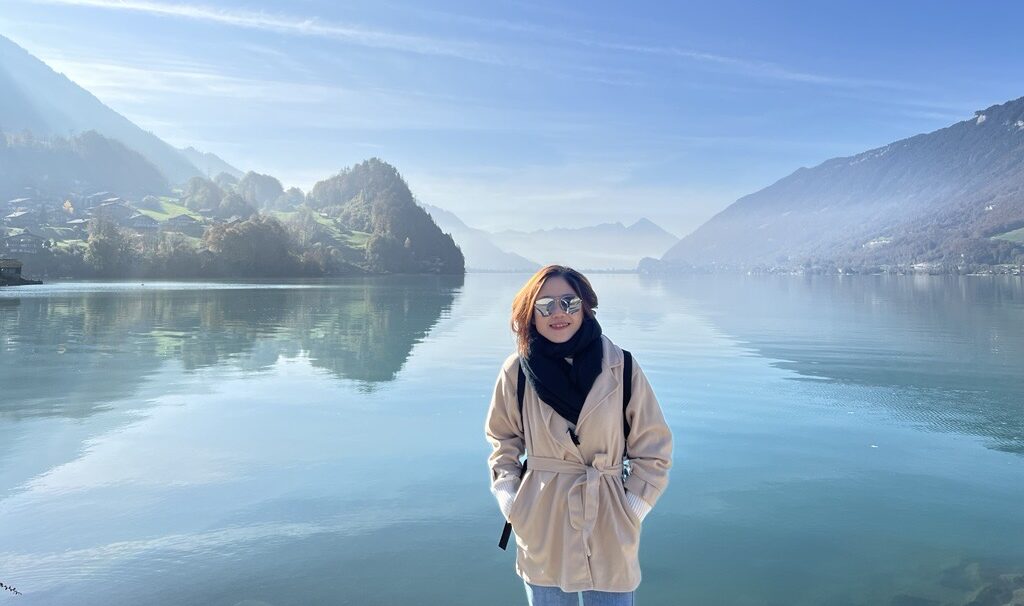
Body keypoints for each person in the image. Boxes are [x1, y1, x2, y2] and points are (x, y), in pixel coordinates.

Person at [484, 264, 674, 605]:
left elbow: (654, 447)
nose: (559, 313)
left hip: (609, 521)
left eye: (569, 303)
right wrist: (511, 500)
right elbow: (503, 441)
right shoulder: (517, 371)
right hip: (543, 520)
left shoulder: (622, 366)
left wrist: (632, 508)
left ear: (585, 307)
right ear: (531, 313)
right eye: (546, 305)